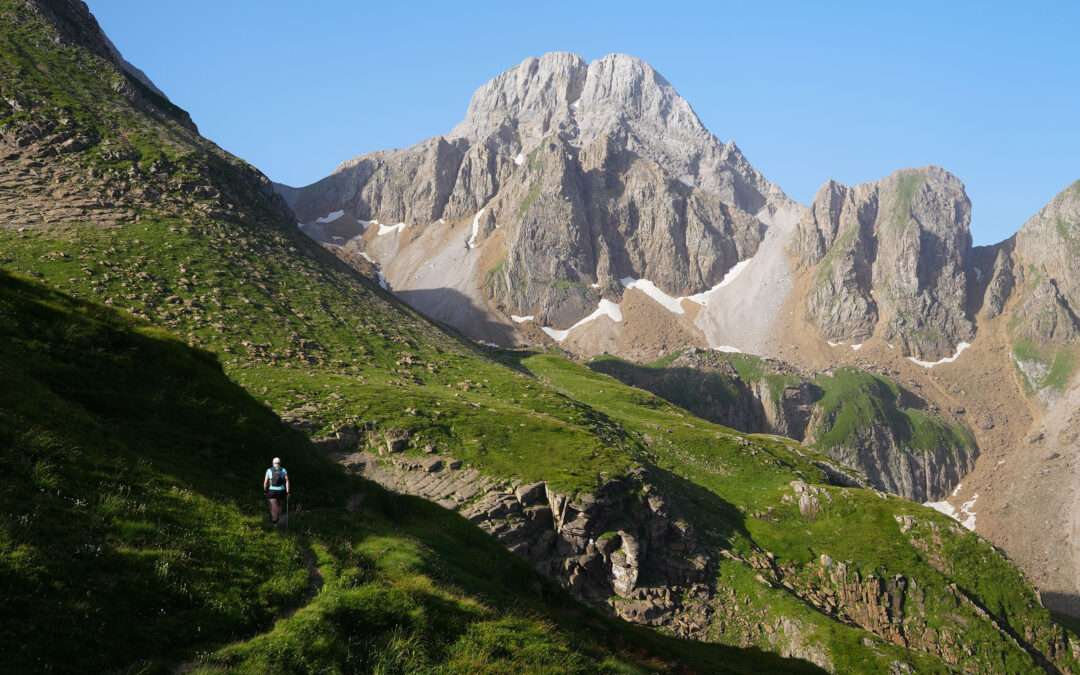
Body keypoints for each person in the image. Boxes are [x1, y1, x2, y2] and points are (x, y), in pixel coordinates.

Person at [263, 457, 290, 525]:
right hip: (281, 490)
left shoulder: (269, 470)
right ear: (279, 463)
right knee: (279, 505)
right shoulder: (283, 470)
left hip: (272, 490)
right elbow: (287, 480)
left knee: (273, 506)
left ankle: (274, 521)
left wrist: (265, 490)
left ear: (273, 463)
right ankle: (278, 519)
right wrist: (288, 491)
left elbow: (265, 482)